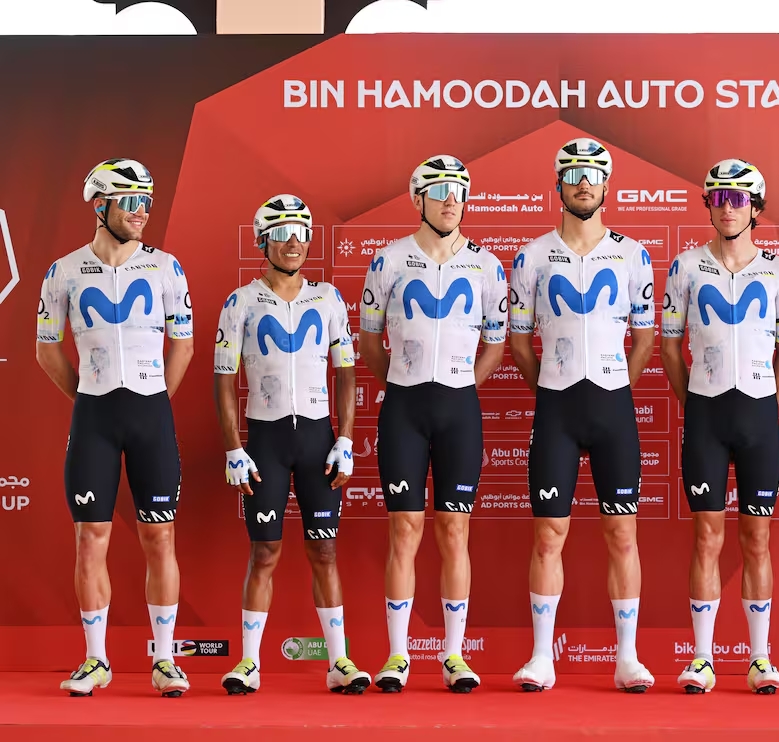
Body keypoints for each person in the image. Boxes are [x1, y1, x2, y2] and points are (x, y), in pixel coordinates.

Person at [36, 158, 195, 697]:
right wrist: (87, 399)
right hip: (95, 418)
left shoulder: (166, 268)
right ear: (100, 206)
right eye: (131, 201)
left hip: (151, 414)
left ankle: (166, 660)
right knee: (90, 539)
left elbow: (184, 345)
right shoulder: (63, 271)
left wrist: (155, 402)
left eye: (147, 201)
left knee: (160, 537)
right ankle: (96, 659)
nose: (142, 211)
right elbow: (46, 349)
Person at [509, 138, 656, 694]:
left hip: (613, 404)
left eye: (593, 175)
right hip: (557, 407)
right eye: (573, 175)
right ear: (559, 185)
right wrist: (551, 390)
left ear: (606, 185)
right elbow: (519, 342)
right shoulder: (531, 256)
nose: (584, 184)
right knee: (549, 535)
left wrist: (615, 387)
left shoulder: (633, 255)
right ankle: (541, 658)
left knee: (623, 534)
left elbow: (645, 339)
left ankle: (628, 659)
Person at [360, 155, 507, 693]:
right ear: (417, 199)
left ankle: (453, 655)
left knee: (454, 530)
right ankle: (398, 655)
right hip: (404, 408)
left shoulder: (487, 266)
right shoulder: (388, 260)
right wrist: (402, 382)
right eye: (440, 191)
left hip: (459, 410)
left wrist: (463, 384)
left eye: (459, 192)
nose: (451, 201)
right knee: (404, 529)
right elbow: (369, 341)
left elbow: (496, 344)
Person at [214, 195, 371, 695]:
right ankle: (249, 663)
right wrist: (233, 448)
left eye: (301, 233)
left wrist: (345, 438)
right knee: (265, 551)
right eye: (282, 233)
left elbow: (346, 372)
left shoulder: (328, 299)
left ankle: (338, 662)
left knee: (324, 550)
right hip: (265, 441)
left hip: (318, 441)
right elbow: (223, 380)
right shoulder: (240, 302)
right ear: (263, 242)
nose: (293, 242)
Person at [660, 159, 779, 694]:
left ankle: (760, 658)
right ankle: (702, 659)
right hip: (706, 416)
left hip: (758, 415)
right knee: (707, 537)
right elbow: (670, 348)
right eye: (718, 198)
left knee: (757, 539)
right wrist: (695, 402)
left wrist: (765, 402)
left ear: (756, 208)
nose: (727, 208)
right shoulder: (685, 266)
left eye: (738, 199)